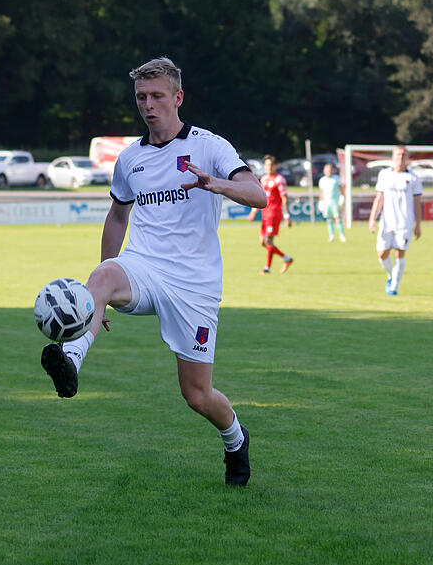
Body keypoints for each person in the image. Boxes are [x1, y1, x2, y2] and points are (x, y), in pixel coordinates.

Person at [40, 57, 266, 486]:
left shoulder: (209, 146)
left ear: (177, 98)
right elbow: (118, 217)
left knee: (197, 396)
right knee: (102, 276)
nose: (148, 105)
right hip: (144, 266)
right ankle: (70, 360)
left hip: (194, 284)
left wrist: (216, 184)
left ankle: (235, 439)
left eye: (158, 96)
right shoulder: (129, 159)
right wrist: (95, 297)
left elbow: (258, 195)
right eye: (141, 97)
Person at [368, 144, 423, 296]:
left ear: (408, 158)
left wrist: (418, 224)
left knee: (400, 254)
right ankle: (391, 275)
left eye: (403, 154)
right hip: (386, 223)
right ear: (393, 157)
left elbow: (417, 203)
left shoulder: (413, 178)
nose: (400, 157)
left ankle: (394, 287)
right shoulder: (384, 175)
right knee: (382, 254)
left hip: (405, 223)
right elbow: (379, 198)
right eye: (398, 154)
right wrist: (372, 219)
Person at [248, 154, 293, 274]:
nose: (269, 167)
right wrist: (254, 211)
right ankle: (286, 258)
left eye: (271, 165)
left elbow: (284, 197)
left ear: (276, 166)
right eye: (267, 165)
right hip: (265, 213)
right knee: (263, 242)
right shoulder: (264, 179)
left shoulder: (279, 179)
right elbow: (261, 196)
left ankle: (267, 268)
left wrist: (287, 216)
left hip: (274, 214)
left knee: (268, 241)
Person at [317, 162, 346, 242]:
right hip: (326, 202)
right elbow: (321, 192)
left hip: (335, 202)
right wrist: (320, 202)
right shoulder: (322, 180)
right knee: (329, 219)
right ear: (324, 171)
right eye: (327, 170)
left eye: (330, 170)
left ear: (332, 170)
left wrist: (342, 197)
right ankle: (331, 235)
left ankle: (341, 235)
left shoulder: (336, 179)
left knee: (338, 218)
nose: (328, 172)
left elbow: (341, 189)